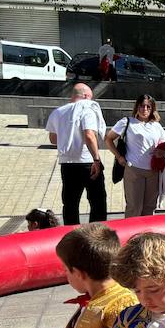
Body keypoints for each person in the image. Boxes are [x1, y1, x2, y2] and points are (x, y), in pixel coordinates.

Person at [47, 83, 108, 226]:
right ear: (86, 96)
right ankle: (97, 236)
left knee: (70, 204)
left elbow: (53, 139)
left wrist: (68, 138)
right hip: (87, 161)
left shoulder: (58, 112)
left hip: (67, 163)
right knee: (97, 201)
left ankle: (71, 236)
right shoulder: (87, 109)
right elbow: (89, 135)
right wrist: (97, 159)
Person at [107, 94, 165, 219]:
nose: (145, 109)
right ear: (137, 107)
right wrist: (119, 157)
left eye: (148, 107)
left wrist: (163, 152)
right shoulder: (126, 122)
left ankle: (146, 236)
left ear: (152, 109)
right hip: (134, 169)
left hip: (153, 171)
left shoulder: (156, 126)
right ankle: (131, 237)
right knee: (134, 208)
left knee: (149, 207)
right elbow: (108, 139)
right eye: (142, 106)